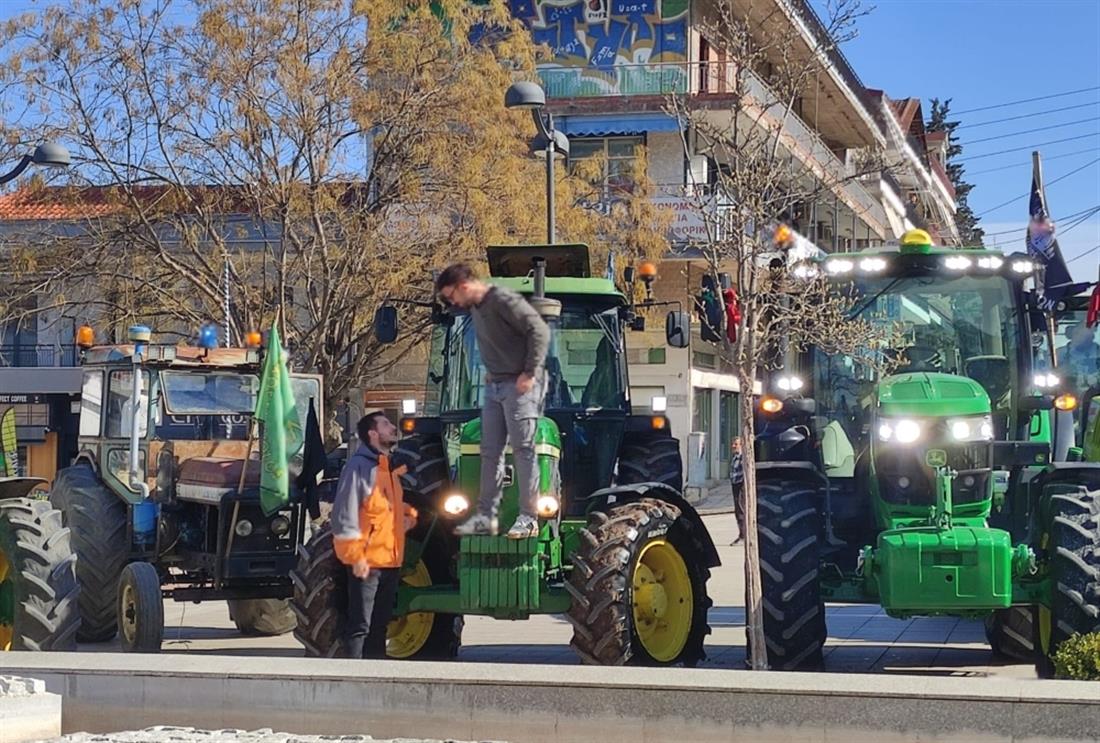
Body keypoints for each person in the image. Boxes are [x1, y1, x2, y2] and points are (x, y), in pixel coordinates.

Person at [435, 263, 550, 539]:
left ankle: (528, 517)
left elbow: (539, 330)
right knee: (489, 451)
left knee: (523, 449)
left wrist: (529, 372)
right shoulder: (475, 309)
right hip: (494, 385)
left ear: (464, 286)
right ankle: (485, 517)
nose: (453, 303)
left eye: (451, 297)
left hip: (519, 384)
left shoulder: (502, 300)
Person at [330, 412, 417, 659]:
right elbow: (344, 514)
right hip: (366, 563)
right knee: (361, 627)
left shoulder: (388, 469)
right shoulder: (359, 467)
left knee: (379, 627)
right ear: (373, 434)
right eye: (386, 424)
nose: (393, 427)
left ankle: (376, 675)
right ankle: (354, 676)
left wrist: (408, 518)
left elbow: (385, 510)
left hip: (390, 562)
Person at [729, 436, 746, 544]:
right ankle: (741, 534)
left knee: (741, 510)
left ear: (741, 445)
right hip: (735, 484)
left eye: (736, 444)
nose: (733, 446)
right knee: (737, 510)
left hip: (741, 485)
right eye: (733, 444)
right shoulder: (735, 457)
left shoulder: (743, 457)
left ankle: (743, 535)